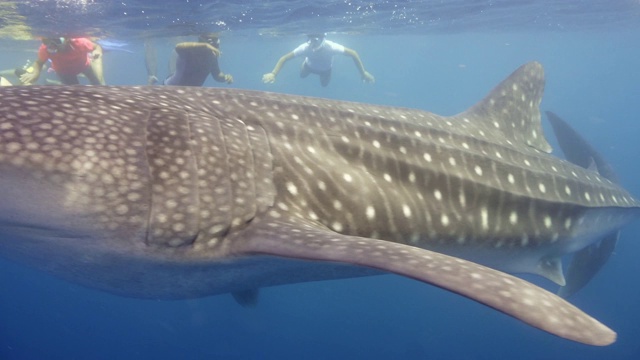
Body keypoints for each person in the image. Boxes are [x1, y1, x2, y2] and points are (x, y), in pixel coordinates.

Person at [262, 33, 375, 87]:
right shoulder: (305, 47)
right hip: (308, 66)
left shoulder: (331, 47)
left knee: (324, 86)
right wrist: (273, 74)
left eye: (316, 40)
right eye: (311, 41)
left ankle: (306, 62)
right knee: (302, 76)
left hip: (326, 70)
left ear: (323, 40)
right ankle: (304, 61)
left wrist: (363, 72)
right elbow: (285, 58)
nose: (313, 44)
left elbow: (353, 53)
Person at [145, 33, 233, 86]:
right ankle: (151, 78)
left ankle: (154, 78)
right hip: (170, 87)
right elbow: (178, 47)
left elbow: (217, 75)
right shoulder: (191, 51)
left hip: (186, 90)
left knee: (173, 72)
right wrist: (205, 46)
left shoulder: (212, 57)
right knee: (172, 73)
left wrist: (225, 77)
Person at [20, 37, 105, 85]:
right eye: (46, 41)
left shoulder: (80, 42)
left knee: (98, 84)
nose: (52, 45)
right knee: (75, 94)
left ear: (67, 40)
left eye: (57, 40)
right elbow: (39, 63)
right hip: (64, 72)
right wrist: (36, 73)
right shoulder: (45, 49)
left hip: (85, 66)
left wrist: (97, 51)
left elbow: (96, 46)